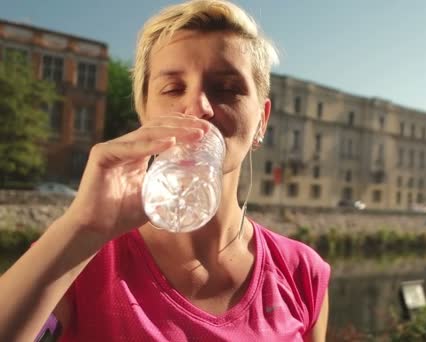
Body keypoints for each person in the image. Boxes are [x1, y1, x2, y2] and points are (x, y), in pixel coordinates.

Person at [0, 1, 330, 341]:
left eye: (228, 88)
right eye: (173, 88)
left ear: (261, 119)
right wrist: (82, 227)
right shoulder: (80, 258)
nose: (198, 108)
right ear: (144, 112)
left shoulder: (301, 272)